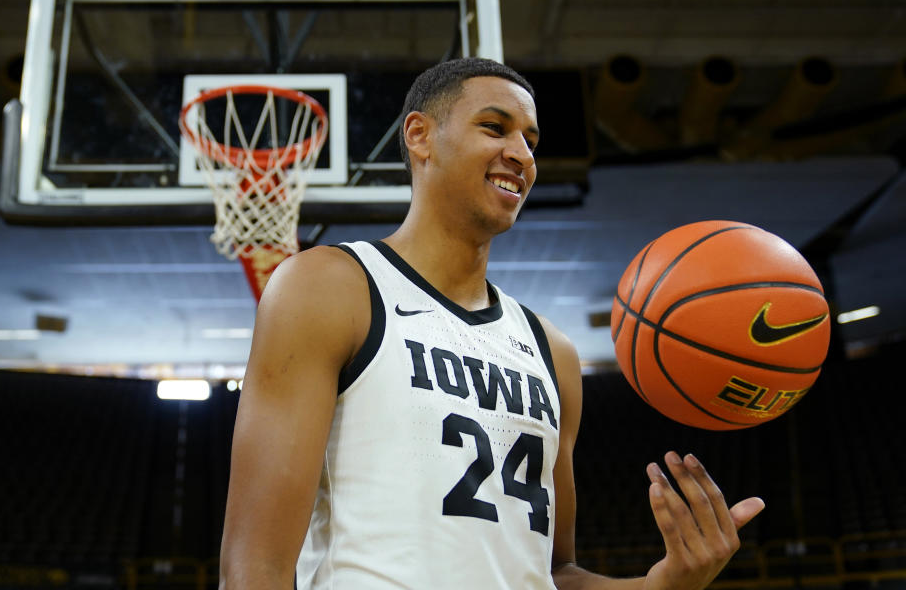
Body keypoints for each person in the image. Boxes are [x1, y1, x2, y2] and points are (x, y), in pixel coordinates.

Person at [219, 58, 765, 589]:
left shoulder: (553, 351)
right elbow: (254, 567)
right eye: (494, 128)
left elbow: (553, 573)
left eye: (531, 140)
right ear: (419, 136)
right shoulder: (329, 287)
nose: (520, 154)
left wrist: (659, 585)